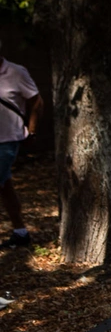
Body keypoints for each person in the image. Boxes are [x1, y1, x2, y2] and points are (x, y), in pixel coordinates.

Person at [0, 42, 44, 249]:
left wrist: (31, 130)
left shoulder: (16, 72)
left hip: (8, 140)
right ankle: (21, 232)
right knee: (5, 186)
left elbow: (37, 102)